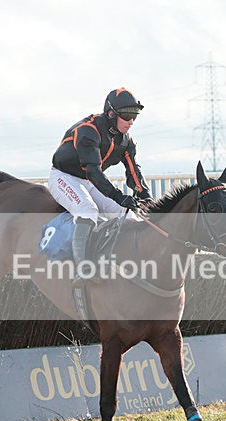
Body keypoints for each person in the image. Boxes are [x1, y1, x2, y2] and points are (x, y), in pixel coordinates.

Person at [49, 87, 152, 286]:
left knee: (127, 214)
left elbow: (134, 171)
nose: (131, 122)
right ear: (111, 114)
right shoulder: (88, 130)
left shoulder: (126, 141)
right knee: (87, 211)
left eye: (134, 117)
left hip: (89, 181)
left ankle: (127, 264)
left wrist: (144, 195)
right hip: (64, 177)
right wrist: (119, 196)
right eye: (127, 116)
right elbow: (94, 172)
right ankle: (83, 269)